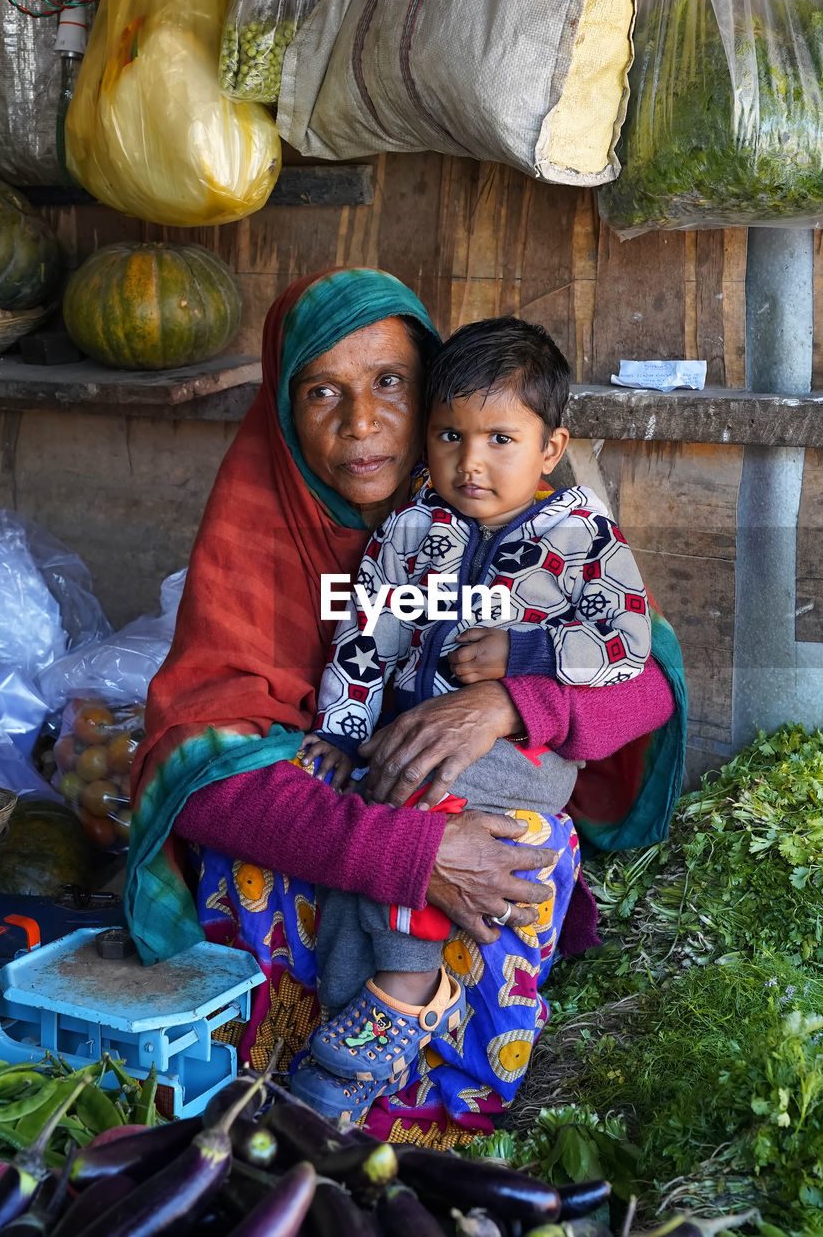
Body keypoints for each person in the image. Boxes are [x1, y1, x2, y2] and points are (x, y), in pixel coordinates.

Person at [126, 267, 687, 1145]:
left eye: (390, 383)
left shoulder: (540, 525)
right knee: (274, 821)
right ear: (282, 409)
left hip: (487, 778)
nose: (361, 423)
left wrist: (508, 700)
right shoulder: (274, 532)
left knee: (518, 852)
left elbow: (644, 678)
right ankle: (339, 1032)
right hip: (371, 789)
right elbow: (198, 765)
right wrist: (399, 845)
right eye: (322, 392)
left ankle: (430, 1092)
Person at [295, 317, 652, 1117]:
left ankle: (401, 987)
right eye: (450, 436)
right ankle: (363, 1005)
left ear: (550, 449)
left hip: (518, 757)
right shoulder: (412, 530)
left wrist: (522, 658)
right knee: (366, 809)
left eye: (500, 438)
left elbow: (624, 645)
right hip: (413, 733)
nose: (471, 462)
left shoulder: (580, 537)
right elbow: (366, 641)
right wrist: (342, 731)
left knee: (408, 808)